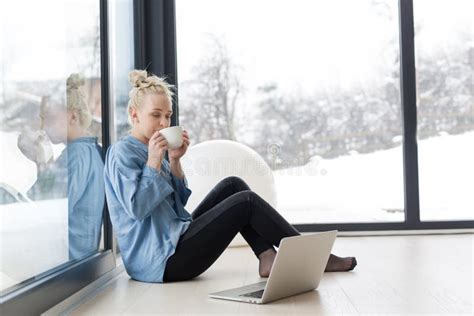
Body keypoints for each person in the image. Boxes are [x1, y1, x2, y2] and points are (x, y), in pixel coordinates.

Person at [104, 70, 357, 283]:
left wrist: (175, 161)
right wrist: (153, 162)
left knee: (233, 185)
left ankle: (267, 256)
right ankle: (314, 257)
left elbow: (178, 204)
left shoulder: (156, 148)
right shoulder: (122, 153)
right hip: (161, 263)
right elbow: (136, 209)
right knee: (245, 202)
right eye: (155, 115)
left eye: (168, 116)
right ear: (134, 114)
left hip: (175, 239)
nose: (163, 123)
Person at [17, 73, 105, 260]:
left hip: (65, 261)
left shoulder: (75, 155)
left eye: (49, 118)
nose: (43, 125)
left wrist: (43, 162)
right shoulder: (91, 150)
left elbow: (43, 209)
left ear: (72, 116)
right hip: (80, 260)